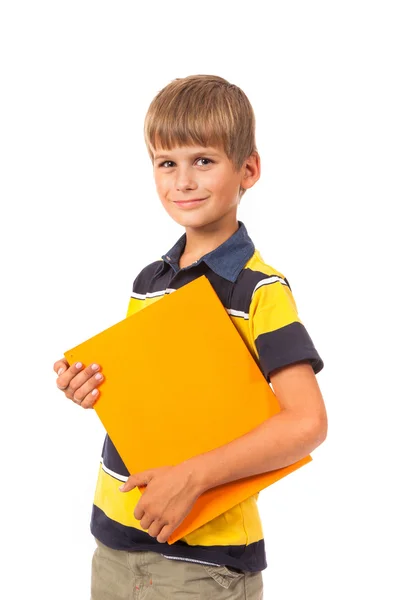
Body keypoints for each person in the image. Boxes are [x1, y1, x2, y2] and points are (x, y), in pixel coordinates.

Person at [53, 74, 328, 599]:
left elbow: (308, 422)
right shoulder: (148, 281)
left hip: (203, 562)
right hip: (115, 540)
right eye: (166, 163)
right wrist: (93, 390)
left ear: (249, 169)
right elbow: (159, 404)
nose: (182, 181)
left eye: (203, 160)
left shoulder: (259, 290)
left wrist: (193, 478)